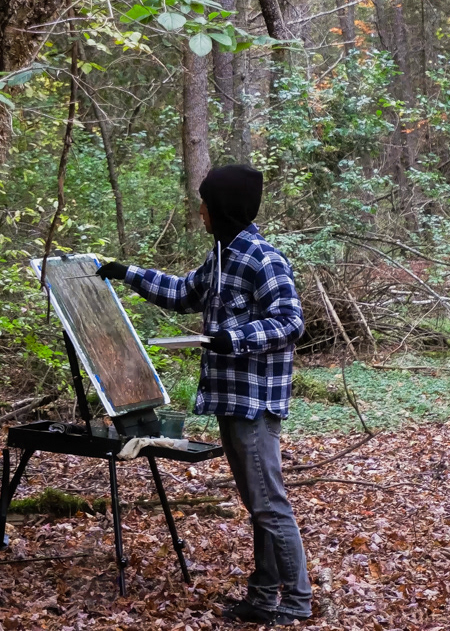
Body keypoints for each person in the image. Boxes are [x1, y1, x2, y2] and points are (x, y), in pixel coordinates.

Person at [97, 164, 312, 625]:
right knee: (258, 503)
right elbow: (183, 293)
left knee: (269, 503)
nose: (200, 212)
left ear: (221, 208)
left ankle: (296, 601)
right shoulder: (220, 256)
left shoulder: (261, 258)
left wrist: (233, 338)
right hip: (231, 400)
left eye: (205, 203)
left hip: (254, 401)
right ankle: (261, 596)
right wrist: (125, 272)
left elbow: (290, 322)